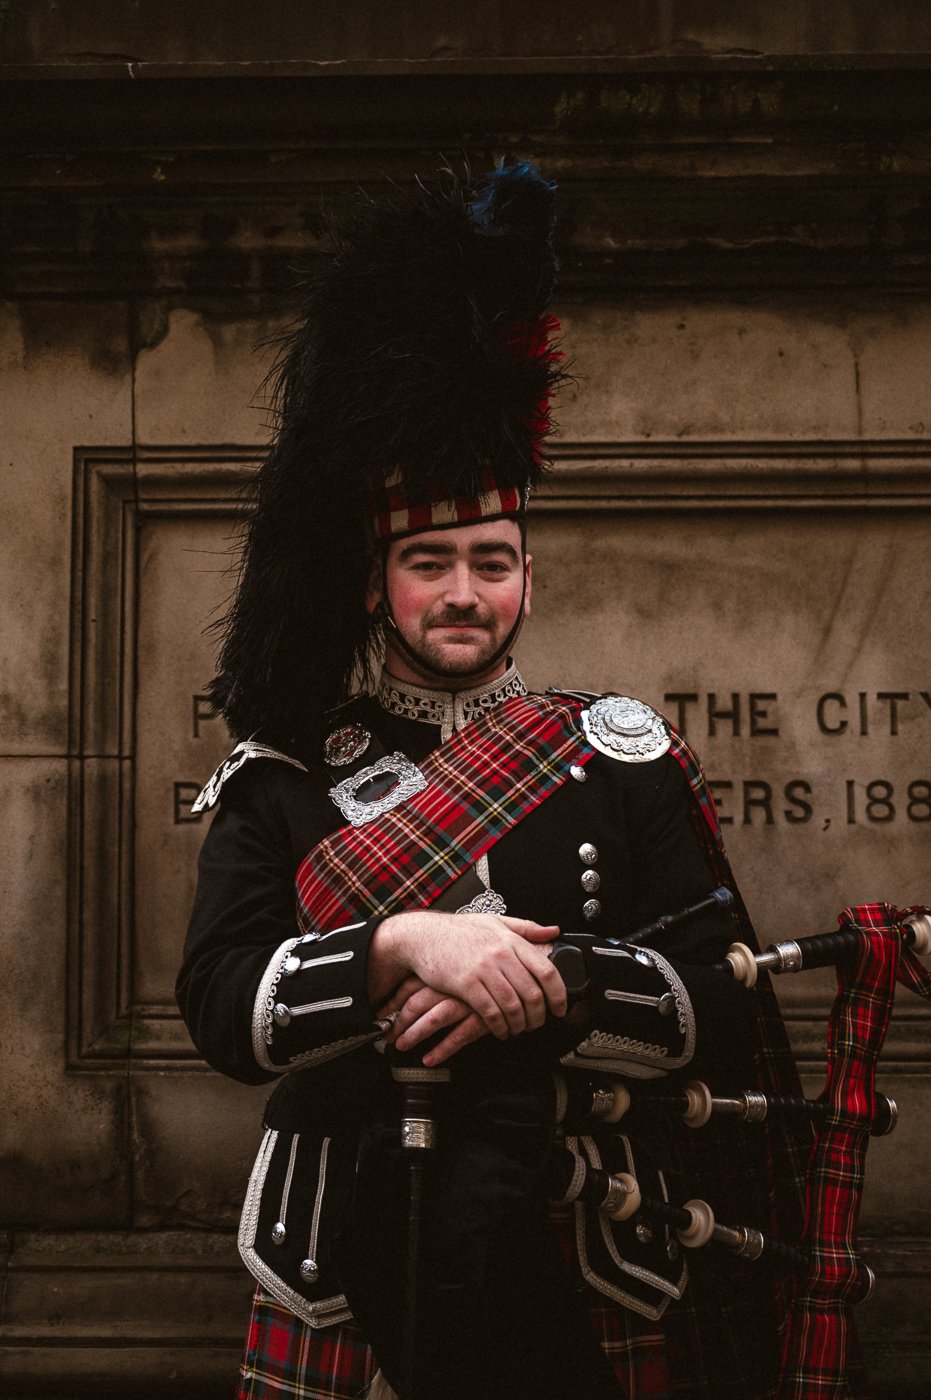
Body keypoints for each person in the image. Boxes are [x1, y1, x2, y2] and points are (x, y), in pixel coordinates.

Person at [177, 163, 806, 1400]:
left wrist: (556, 982)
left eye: (492, 558)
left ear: (528, 571)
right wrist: (398, 944)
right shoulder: (286, 776)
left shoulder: (616, 749)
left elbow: (716, 998)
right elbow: (216, 1003)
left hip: (585, 1240)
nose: (464, 591)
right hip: (347, 1255)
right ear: (377, 582)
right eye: (430, 561)